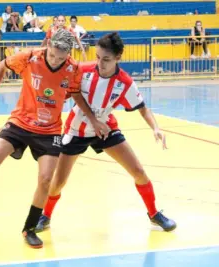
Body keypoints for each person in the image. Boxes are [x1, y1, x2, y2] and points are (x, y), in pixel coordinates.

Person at [0, 29, 109, 249]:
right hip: (21, 121)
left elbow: (75, 93)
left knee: (46, 179)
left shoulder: (73, 69)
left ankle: (29, 228)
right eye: (52, 54)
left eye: (60, 57)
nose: (55, 60)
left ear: (68, 55)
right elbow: (2, 66)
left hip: (50, 130)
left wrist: (93, 119)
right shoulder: (29, 57)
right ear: (48, 45)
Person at [35, 32, 177, 233]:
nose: (100, 63)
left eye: (106, 60)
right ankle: (45, 216)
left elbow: (142, 107)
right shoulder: (82, 71)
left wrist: (156, 128)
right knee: (58, 183)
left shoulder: (124, 83)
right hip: (76, 130)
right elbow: (62, 88)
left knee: (138, 172)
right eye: (98, 57)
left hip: (105, 129)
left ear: (118, 58)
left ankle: (154, 214)